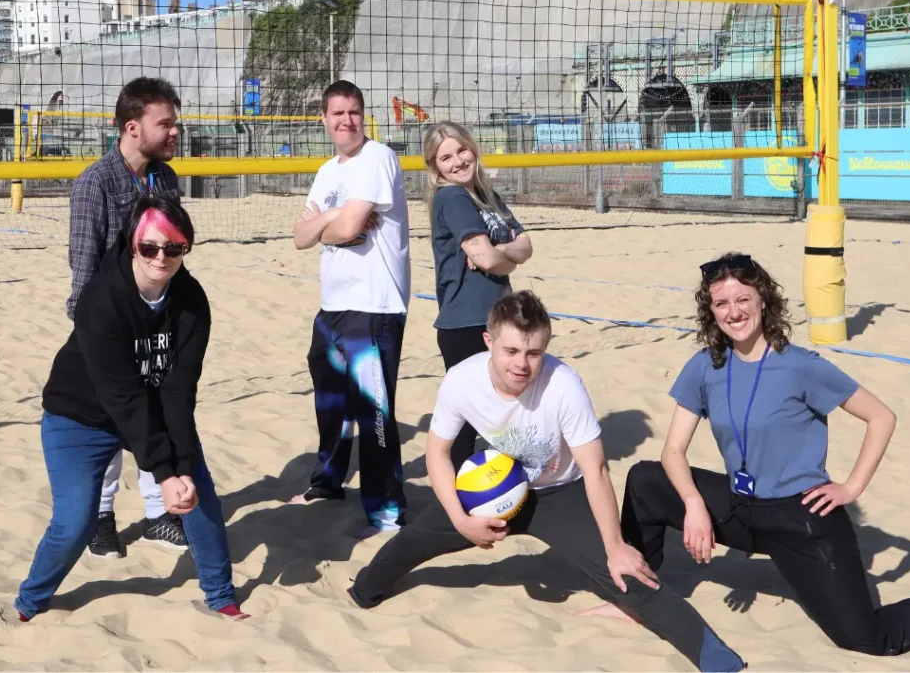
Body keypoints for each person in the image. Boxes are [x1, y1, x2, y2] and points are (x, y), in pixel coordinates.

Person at [581, 252, 910, 656]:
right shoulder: (705, 366)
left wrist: (851, 488)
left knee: (863, 638)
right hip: (737, 506)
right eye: (721, 303)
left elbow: (881, 418)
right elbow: (673, 451)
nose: (733, 312)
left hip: (799, 517)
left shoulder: (801, 366)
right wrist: (693, 504)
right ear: (711, 311)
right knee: (646, 481)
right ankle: (637, 601)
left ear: (763, 300)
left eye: (742, 299)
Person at [347, 291, 747, 673]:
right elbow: (437, 453)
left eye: (534, 353)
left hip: (560, 493)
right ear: (488, 341)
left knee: (626, 574)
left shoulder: (563, 384)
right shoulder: (461, 379)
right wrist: (460, 519)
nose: (521, 364)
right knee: (410, 543)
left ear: (546, 347)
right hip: (494, 487)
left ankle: (718, 658)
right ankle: (362, 592)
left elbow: (596, 470)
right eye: (511, 351)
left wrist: (615, 546)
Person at [15, 197, 247, 622]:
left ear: (186, 248)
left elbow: (179, 390)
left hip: (153, 409)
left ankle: (221, 597)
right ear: (131, 244)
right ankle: (30, 601)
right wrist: (164, 474)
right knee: (76, 522)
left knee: (198, 498)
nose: (161, 257)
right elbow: (122, 396)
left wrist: (179, 470)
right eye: (149, 247)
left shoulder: (191, 299)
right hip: (80, 417)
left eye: (174, 248)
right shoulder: (101, 298)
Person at [68, 76, 187, 557]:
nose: (175, 131)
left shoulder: (167, 179)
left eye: (175, 122)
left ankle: (159, 514)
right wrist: (91, 333)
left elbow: (174, 253)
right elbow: (83, 270)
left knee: (158, 415)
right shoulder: (95, 183)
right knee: (109, 422)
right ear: (133, 126)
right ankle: (101, 520)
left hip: (159, 320)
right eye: (166, 123)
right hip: (109, 327)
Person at [290, 80, 411, 536]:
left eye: (354, 112)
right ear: (324, 119)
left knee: (373, 411)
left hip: (374, 305)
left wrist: (329, 223)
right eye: (338, 113)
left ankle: (386, 510)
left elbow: (349, 229)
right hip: (333, 305)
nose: (346, 120)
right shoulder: (328, 171)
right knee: (332, 403)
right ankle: (327, 481)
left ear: (364, 115)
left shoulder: (377, 157)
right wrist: (330, 217)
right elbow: (301, 237)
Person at [423, 121, 533, 469]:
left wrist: (500, 252)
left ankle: (505, 488)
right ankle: (453, 495)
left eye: (461, 150)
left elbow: (525, 247)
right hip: (466, 324)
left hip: (496, 319)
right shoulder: (452, 197)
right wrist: (502, 257)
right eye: (446, 158)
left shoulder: (487, 197)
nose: (457, 161)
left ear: (472, 148)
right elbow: (487, 259)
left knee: (506, 412)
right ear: (435, 167)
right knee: (466, 424)